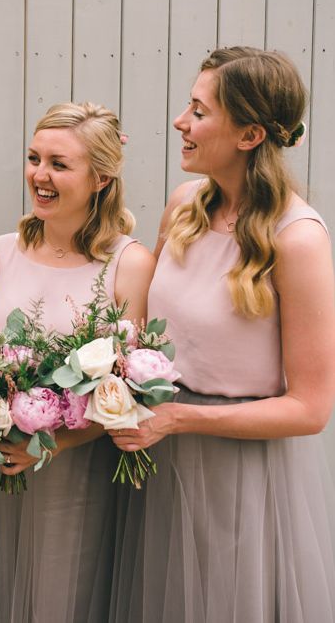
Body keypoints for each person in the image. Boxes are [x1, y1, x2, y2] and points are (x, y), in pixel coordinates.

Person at [111, 46, 335, 621]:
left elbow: (310, 409)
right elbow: (140, 330)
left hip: (238, 477)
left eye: (199, 111)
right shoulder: (184, 205)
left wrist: (183, 418)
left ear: (249, 134)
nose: (181, 122)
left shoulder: (298, 239)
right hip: (160, 464)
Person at [0, 102, 155, 622]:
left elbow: (134, 387)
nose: (39, 175)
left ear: (100, 177)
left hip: (82, 472)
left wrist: (54, 444)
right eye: (34, 158)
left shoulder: (130, 263)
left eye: (59, 164)